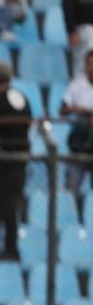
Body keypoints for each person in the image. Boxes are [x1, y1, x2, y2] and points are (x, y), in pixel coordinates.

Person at [0, 62, 33, 261]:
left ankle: (9, 246)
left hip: (2, 157)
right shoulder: (23, 98)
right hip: (21, 155)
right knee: (12, 196)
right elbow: (28, 124)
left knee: (4, 198)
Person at [59, 50, 93, 196]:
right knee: (71, 190)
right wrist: (77, 109)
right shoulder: (77, 84)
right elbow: (63, 109)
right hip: (79, 143)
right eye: (89, 64)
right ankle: (68, 214)